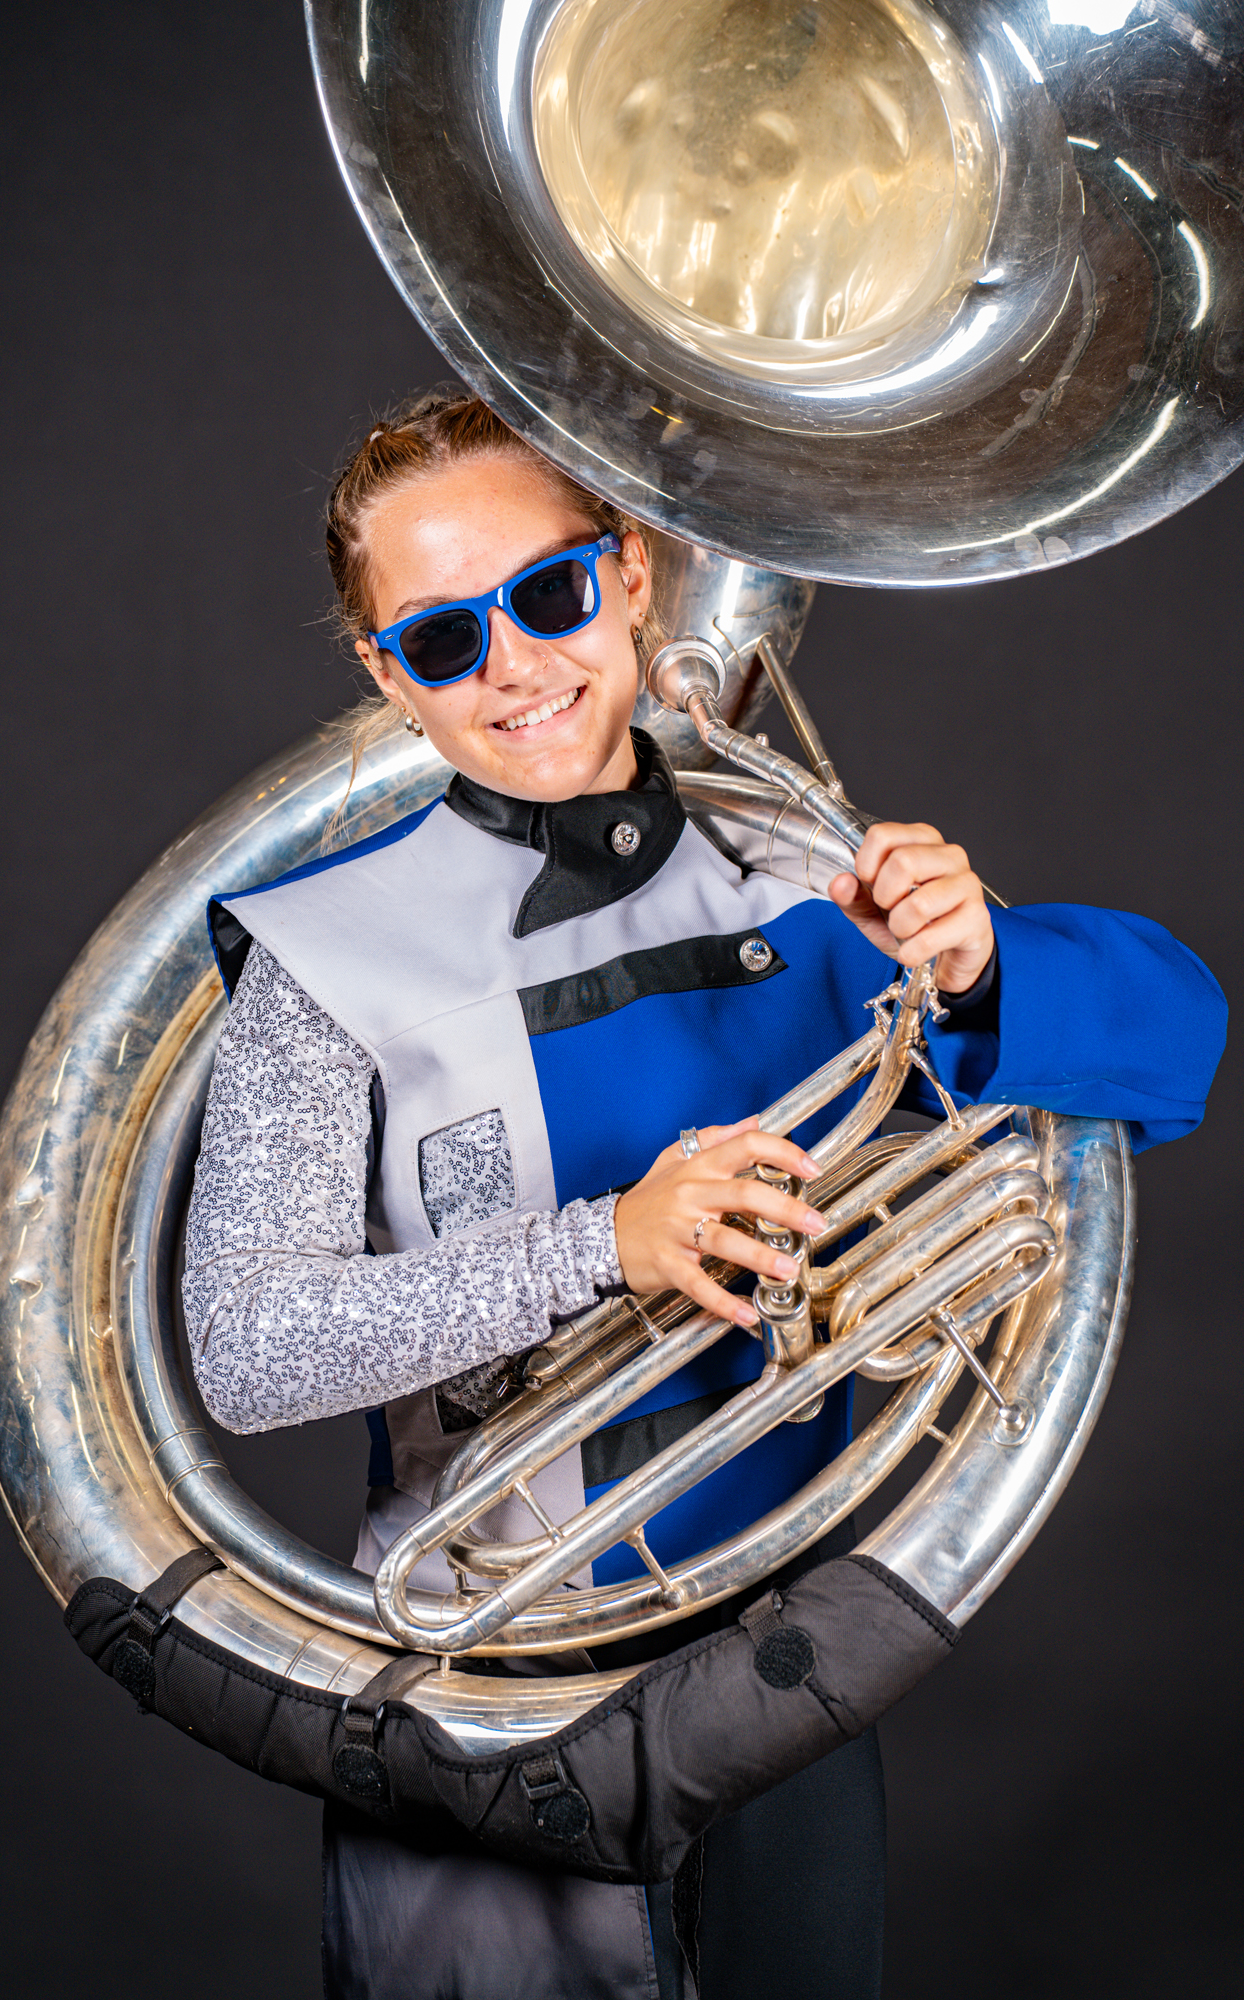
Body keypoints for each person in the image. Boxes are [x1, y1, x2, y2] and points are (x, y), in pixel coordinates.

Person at [183, 392, 1225, 2000]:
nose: (513, 667)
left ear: (630, 575)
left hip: (786, 1676)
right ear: (389, 676)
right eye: (444, 640)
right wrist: (603, 1246)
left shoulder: (808, 881)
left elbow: (1173, 1047)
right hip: (490, 1694)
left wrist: (981, 965)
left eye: (547, 593)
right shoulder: (319, 960)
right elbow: (249, 1349)